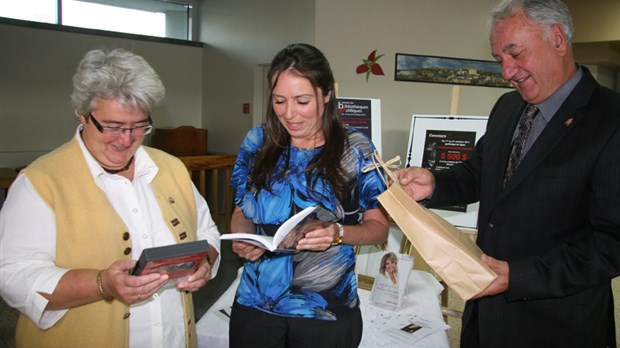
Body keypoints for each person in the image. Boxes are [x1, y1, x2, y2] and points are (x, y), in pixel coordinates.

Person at [394, 0, 620, 347]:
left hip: (558, 328)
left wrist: (519, 276)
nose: (507, 72)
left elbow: (612, 244)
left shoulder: (610, 119)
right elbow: (478, 173)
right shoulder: (507, 107)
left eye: (516, 54)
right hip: (484, 320)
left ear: (557, 39)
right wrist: (435, 183)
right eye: (500, 59)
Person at [0, 48, 221, 348]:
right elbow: (14, 276)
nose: (126, 139)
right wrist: (101, 283)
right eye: (113, 126)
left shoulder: (170, 168)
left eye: (139, 125)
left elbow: (206, 232)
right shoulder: (42, 182)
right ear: (81, 113)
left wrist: (205, 262)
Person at [228, 43, 389, 347]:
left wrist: (338, 233)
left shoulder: (356, 150)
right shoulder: (257, 141)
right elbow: (241, 212)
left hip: (326, 311)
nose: (289, 114)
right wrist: (245, 237)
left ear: (327, 94)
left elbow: (379, 227)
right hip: (256, 304)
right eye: (279, 101)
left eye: (302, 101)